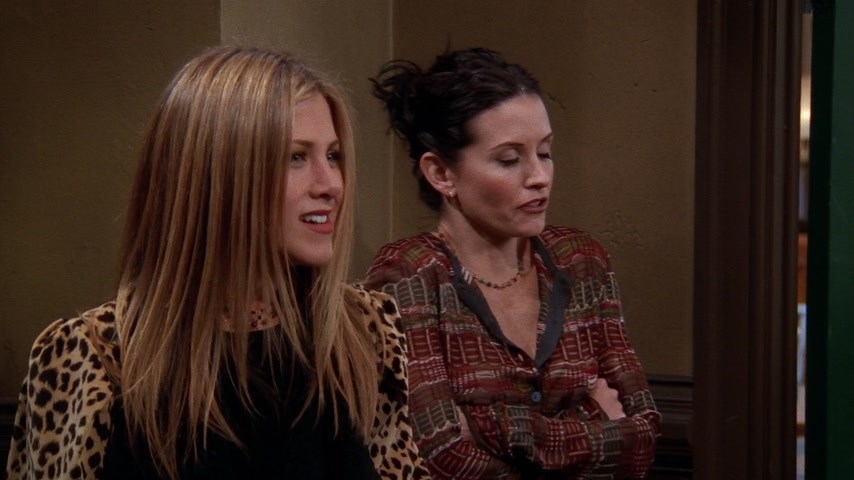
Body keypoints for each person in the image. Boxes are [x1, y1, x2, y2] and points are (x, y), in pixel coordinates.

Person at [6, 46, 429, 480]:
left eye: (333, 155)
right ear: (219, 176)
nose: (331, 184)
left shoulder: (364, 332)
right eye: (296, 157)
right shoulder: (94, 355)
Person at [364, 47, 660, 479]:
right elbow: (441, 453)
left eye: (545, 152)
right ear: (442, 174)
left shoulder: (581, 260)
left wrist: (488, 426)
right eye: (509, 159)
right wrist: (595, 417)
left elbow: (644, 433)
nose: (539, 176)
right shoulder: (409, 272)